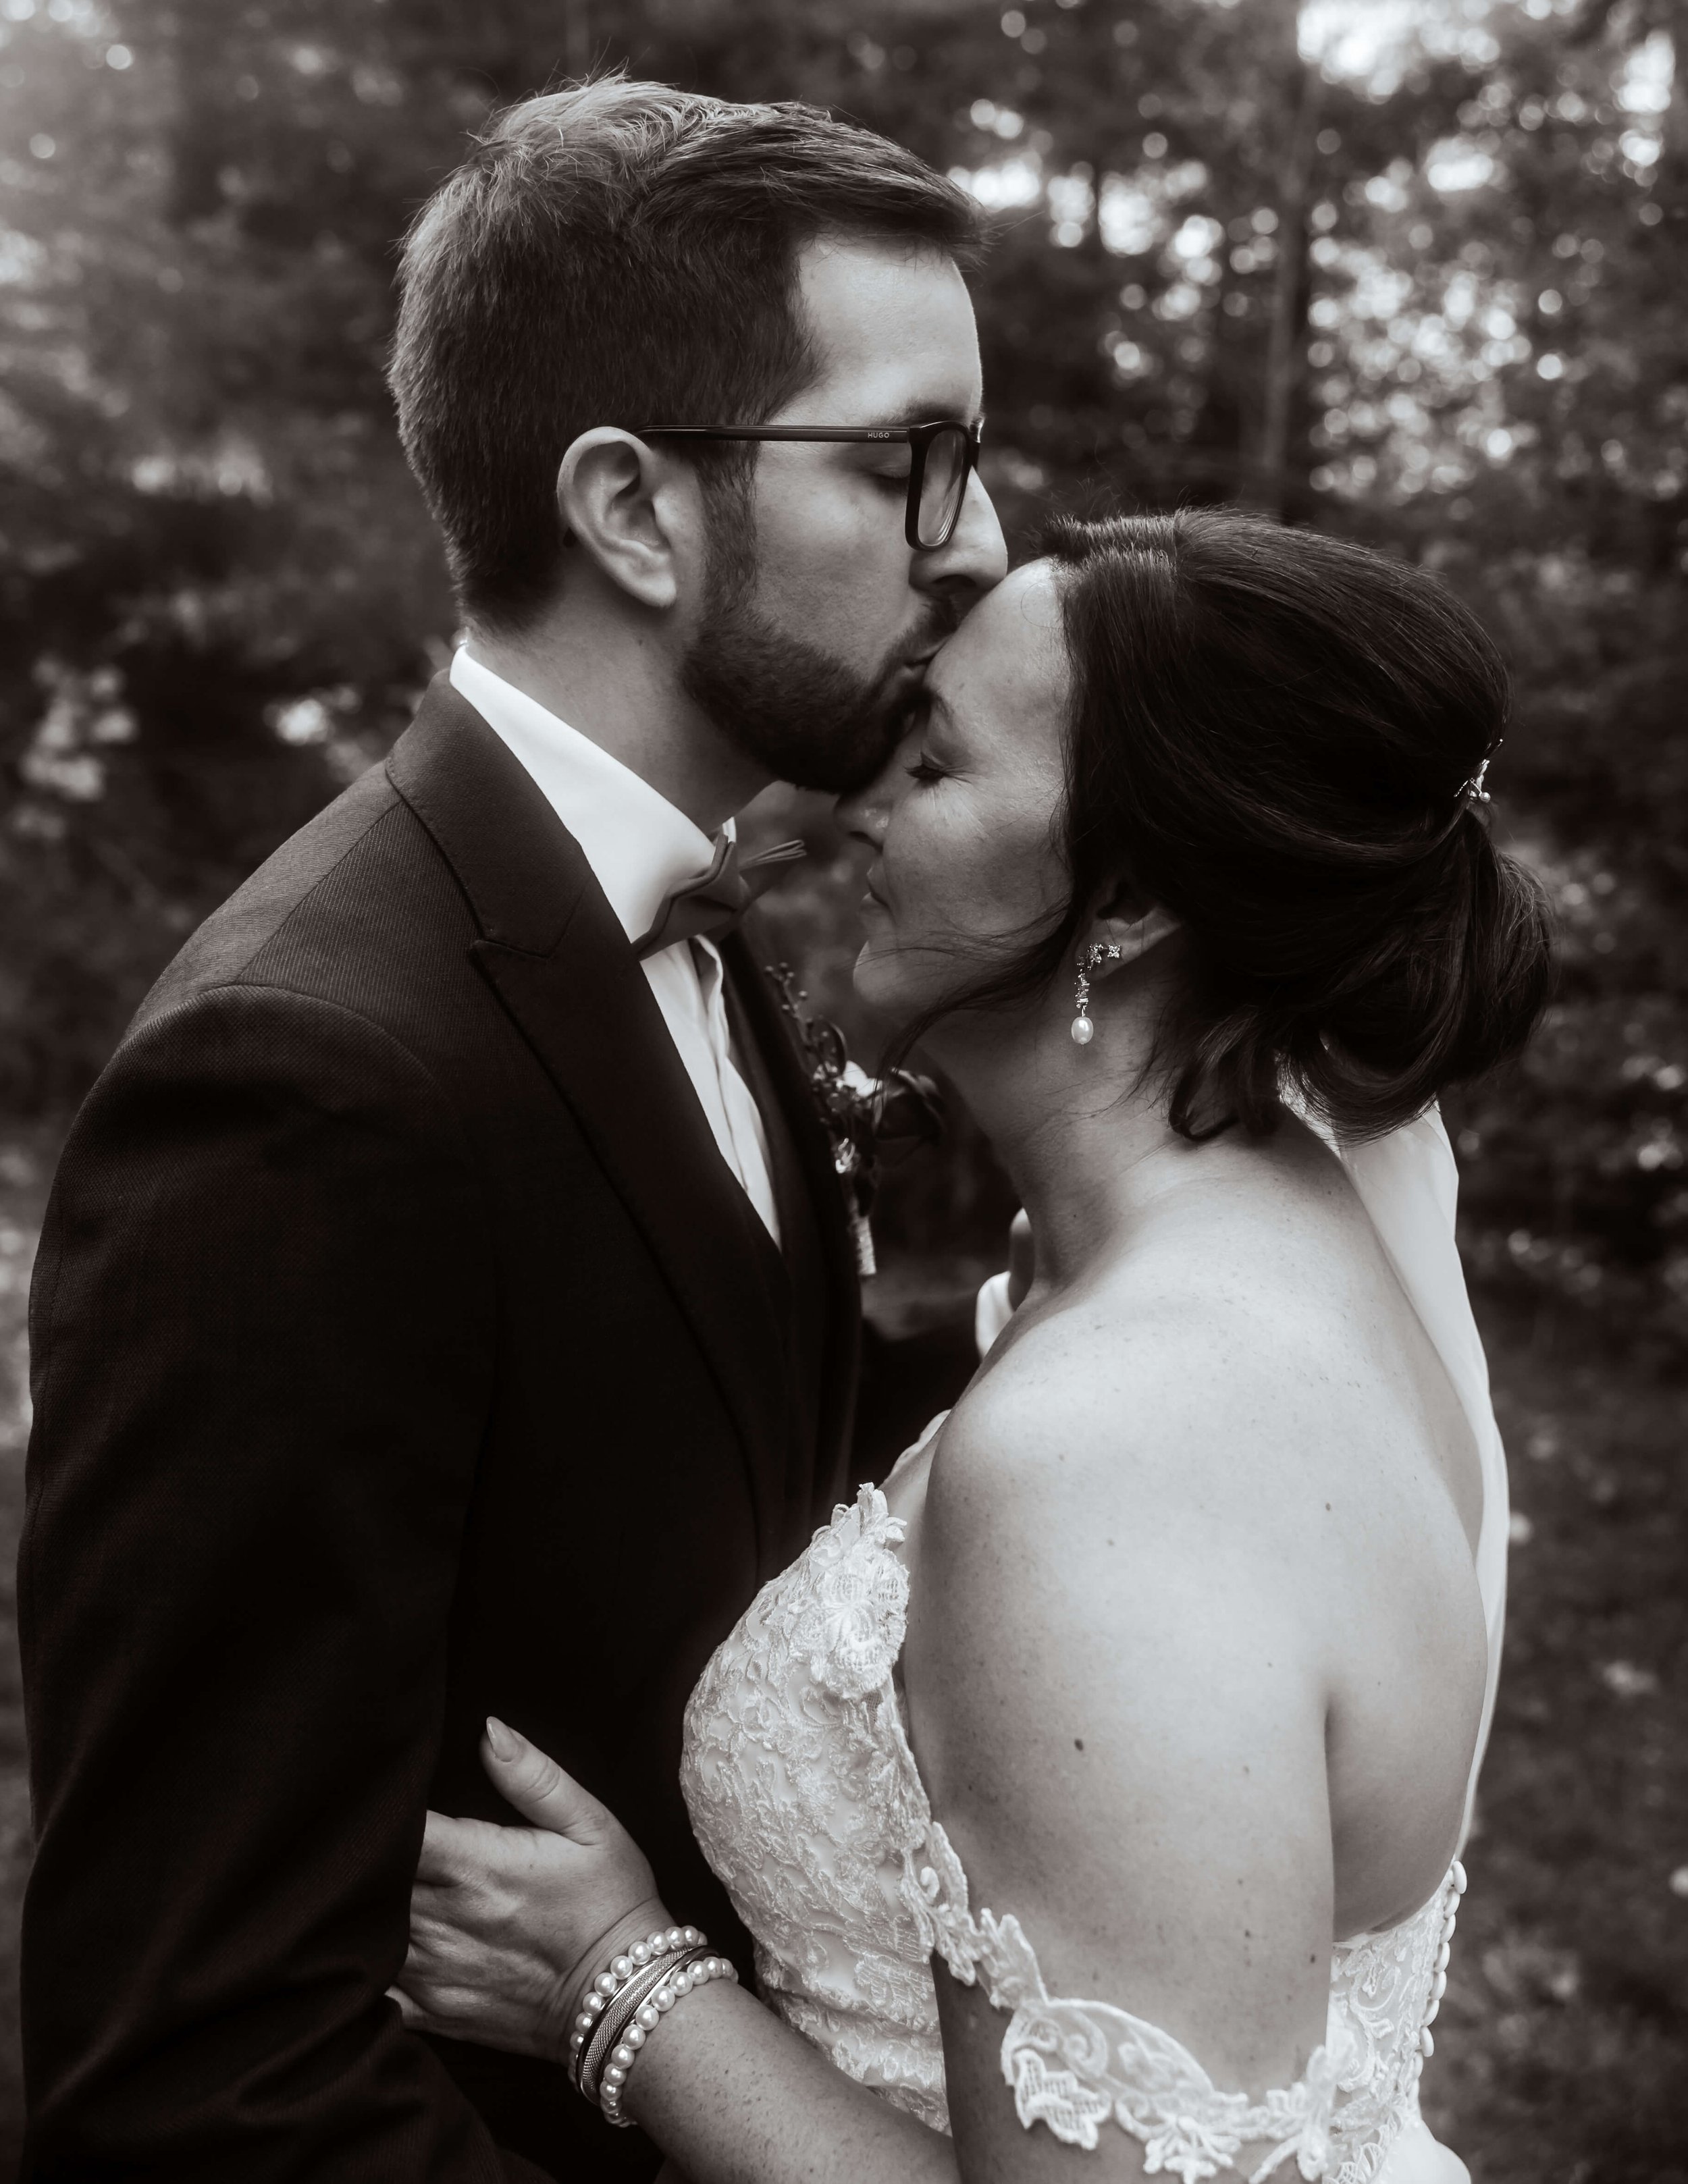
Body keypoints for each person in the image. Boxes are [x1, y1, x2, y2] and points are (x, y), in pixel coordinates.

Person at [18, 79, 1005, 2181]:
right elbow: (204, 2061)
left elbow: (716, 1434)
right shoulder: (299, 1083)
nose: (978, 542)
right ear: (633, 510)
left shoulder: (700, 927)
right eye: (908, 462)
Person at [388, 511, 1552, 2184]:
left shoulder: (1120, 1457)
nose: (857, 809)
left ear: (1134, 895)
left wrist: (620, 1989)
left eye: (932, 769)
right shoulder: (1304, 1217)